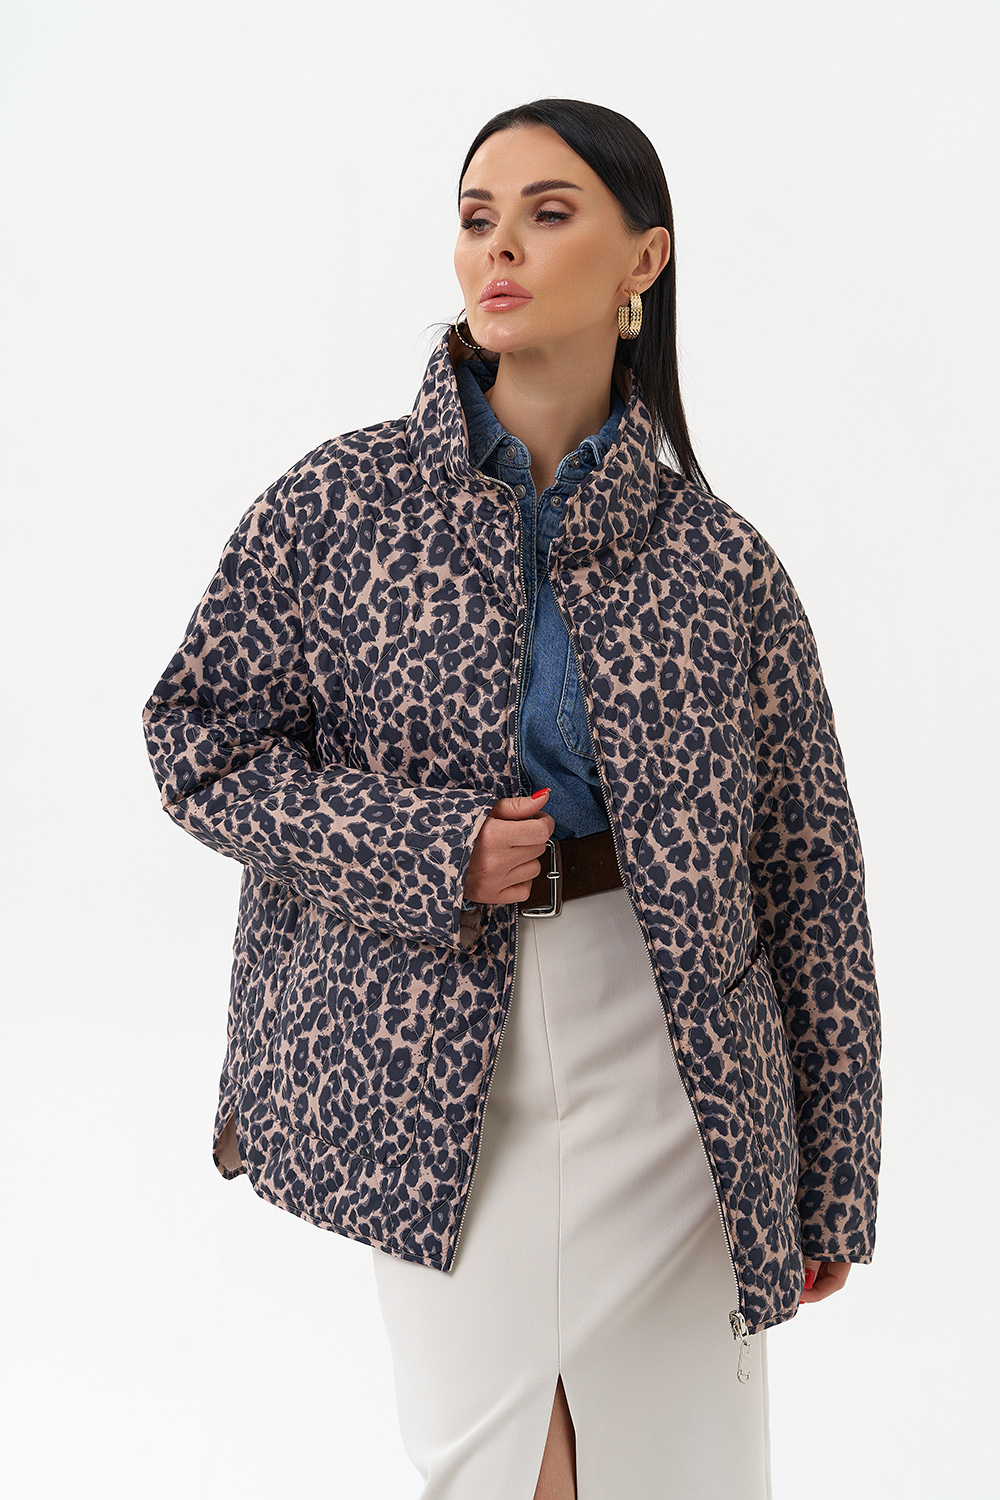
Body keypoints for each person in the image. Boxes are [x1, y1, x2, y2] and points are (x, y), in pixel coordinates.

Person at [141, 97, 882, 1500]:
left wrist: (836, 1173)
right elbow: (196, 744)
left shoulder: (722, 564)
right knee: (496, 1473)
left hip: (675, 1063)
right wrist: (432, 852)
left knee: (680, 1478)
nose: (501, 247)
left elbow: (809, 875)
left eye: (549, 214)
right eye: (478, 217)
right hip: (422, 1059)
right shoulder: (338, 506)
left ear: (643, 261)